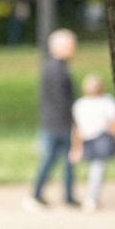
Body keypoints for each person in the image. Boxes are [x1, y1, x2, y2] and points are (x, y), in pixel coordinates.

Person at [27, 28, 77, 209]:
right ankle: (38, 194)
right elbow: (61, 99)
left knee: (65, 161)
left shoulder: (54, 67)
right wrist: (72, 122)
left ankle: (67, 195)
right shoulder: (57, 69)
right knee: (52, 159)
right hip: (58, 123)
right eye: (71, 45)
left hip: (55, 121)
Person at [69, 71, 115, 213]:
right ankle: (92, 197)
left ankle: (92, 196)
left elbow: (77, 129)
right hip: (101, 138)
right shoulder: (107, 102)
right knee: (97, 168)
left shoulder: (80, 104)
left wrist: (76, 147)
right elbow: (114, 124)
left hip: (90, 139)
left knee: (95, 167)